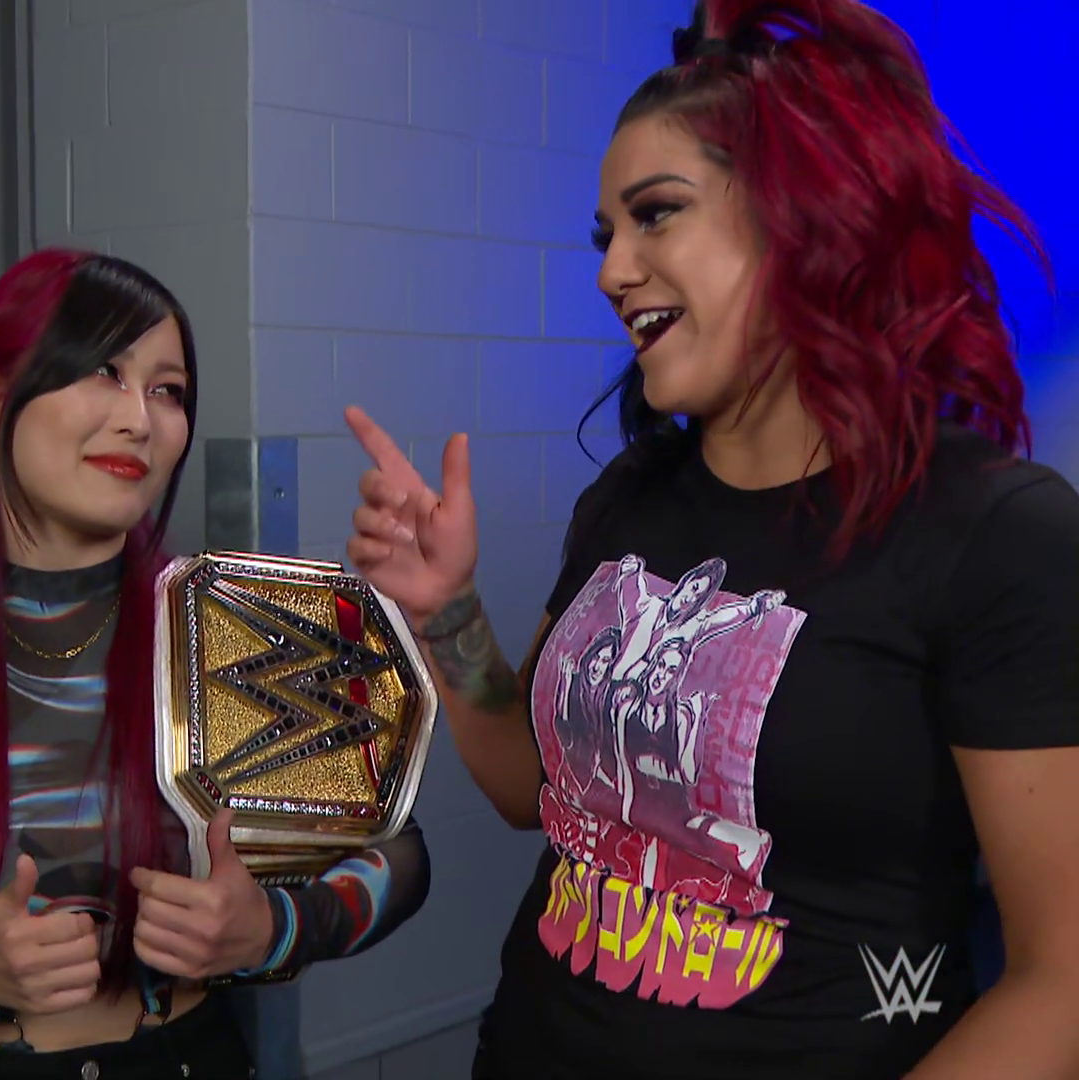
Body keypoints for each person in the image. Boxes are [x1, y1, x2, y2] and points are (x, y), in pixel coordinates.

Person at [342, 2, 1079, 1077]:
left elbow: (1060, 981)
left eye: (656, 214)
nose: (612, 271)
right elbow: (525, 791)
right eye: (606, 235)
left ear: (805, 220)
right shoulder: (628, 502)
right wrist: (446, 610)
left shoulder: (997, 532)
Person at [0, 248, 431, 1079]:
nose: (139, 420)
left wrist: (270, 929)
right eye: (102, 372)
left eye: (168, 390)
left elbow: (400, 854)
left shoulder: (231, 626)